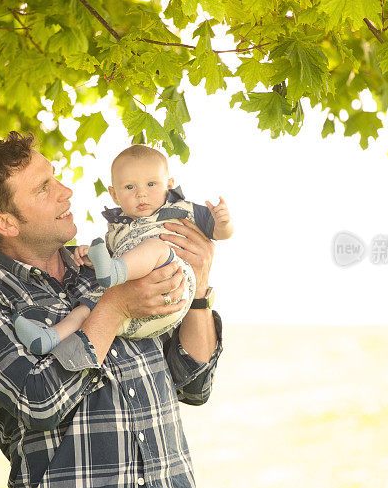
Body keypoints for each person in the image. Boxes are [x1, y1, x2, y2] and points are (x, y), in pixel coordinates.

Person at [0, 131, 223, 488]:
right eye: (44, 188)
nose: (66, 192)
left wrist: (200, 289)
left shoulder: (107, 262)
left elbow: (194, 385)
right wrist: (114, 309)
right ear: (5, 222)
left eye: (54, 176)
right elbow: (38, 401)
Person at [13, 144, 233, 353]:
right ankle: (49, 337)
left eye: (151, 184)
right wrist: (90, 257)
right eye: (130, 187)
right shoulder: (116, 229)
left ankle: (114, 272)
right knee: (87, 307)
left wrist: (223, 223)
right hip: (129, 310)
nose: (141, 194)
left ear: (169, 184)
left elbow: (219, 234)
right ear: (114, 194)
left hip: (169, 290)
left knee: (156, 247)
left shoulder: (181, 209)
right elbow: (109, 256)